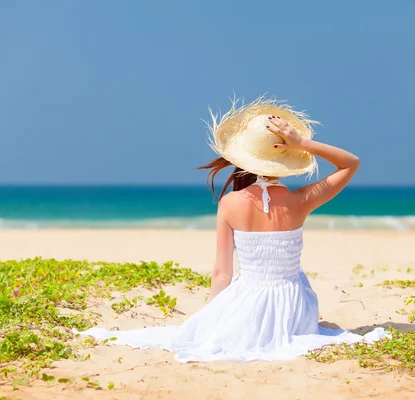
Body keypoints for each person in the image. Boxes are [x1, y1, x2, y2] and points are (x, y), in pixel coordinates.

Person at [75, 97, 389, 362]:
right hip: (296, 311)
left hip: (248, 303)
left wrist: (212, 315)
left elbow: (222, 274)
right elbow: (351, 163)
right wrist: (302, 142)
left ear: (245, 158)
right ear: (287, 159)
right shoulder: (300, 201)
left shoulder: (230, 203)